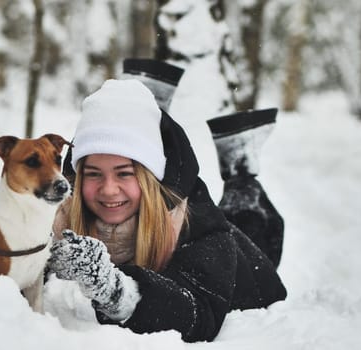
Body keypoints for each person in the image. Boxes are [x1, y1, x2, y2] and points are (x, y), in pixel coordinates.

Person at [47, 74, 286, 342]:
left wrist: (115, 290)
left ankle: (240, 167)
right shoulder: (59, 213)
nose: (108, 189)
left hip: (244, 270)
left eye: (125, 174)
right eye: (93, 174)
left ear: (151, 177)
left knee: (249, 221)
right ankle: (148, 106)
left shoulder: (197, 224)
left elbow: (199, 315)